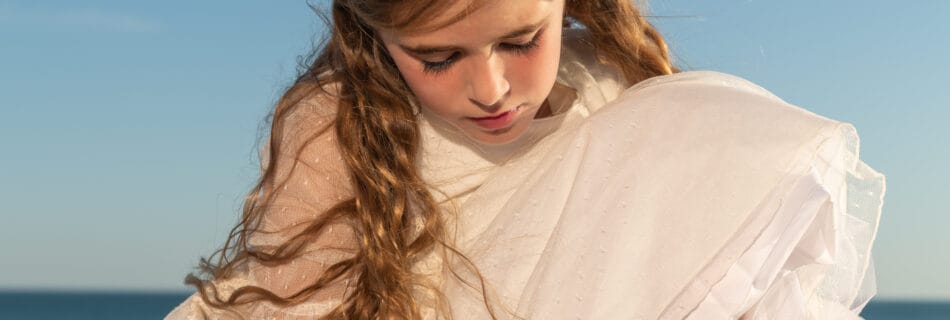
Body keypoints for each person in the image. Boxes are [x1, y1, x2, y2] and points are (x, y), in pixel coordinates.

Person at [166, 0, 885, 319]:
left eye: (520, 39)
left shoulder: (612, 85)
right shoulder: (336, 124)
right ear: (374, 36)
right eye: (439, 57)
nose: (491, 89)